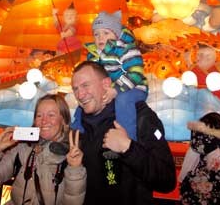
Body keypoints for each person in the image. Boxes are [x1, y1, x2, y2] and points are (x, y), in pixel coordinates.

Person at [71, 60, 176, 205]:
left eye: (85, 86)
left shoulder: (138, 116)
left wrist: (128, 148)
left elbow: (167, 180)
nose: (80, 94)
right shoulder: (78, 129)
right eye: (75, 89)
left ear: (106, 84)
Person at [0, 94, 86, 205]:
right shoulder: (22, 149)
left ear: (64, 121)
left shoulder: (72, 155)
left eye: (51, 115)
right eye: (39, 116)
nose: (44, 121)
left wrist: (74, 169)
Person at [73, 10, 146, 143]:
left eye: (106, 33)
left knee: (123, 100)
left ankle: (127, 136)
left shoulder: (126, 49)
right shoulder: (94, 55)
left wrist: (116, 90)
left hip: (133, 87)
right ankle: (78, 128)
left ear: (116, 35)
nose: (100, 38)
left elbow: (136, 74)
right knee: (85, 97)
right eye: (96, 34)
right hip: (109, 88)